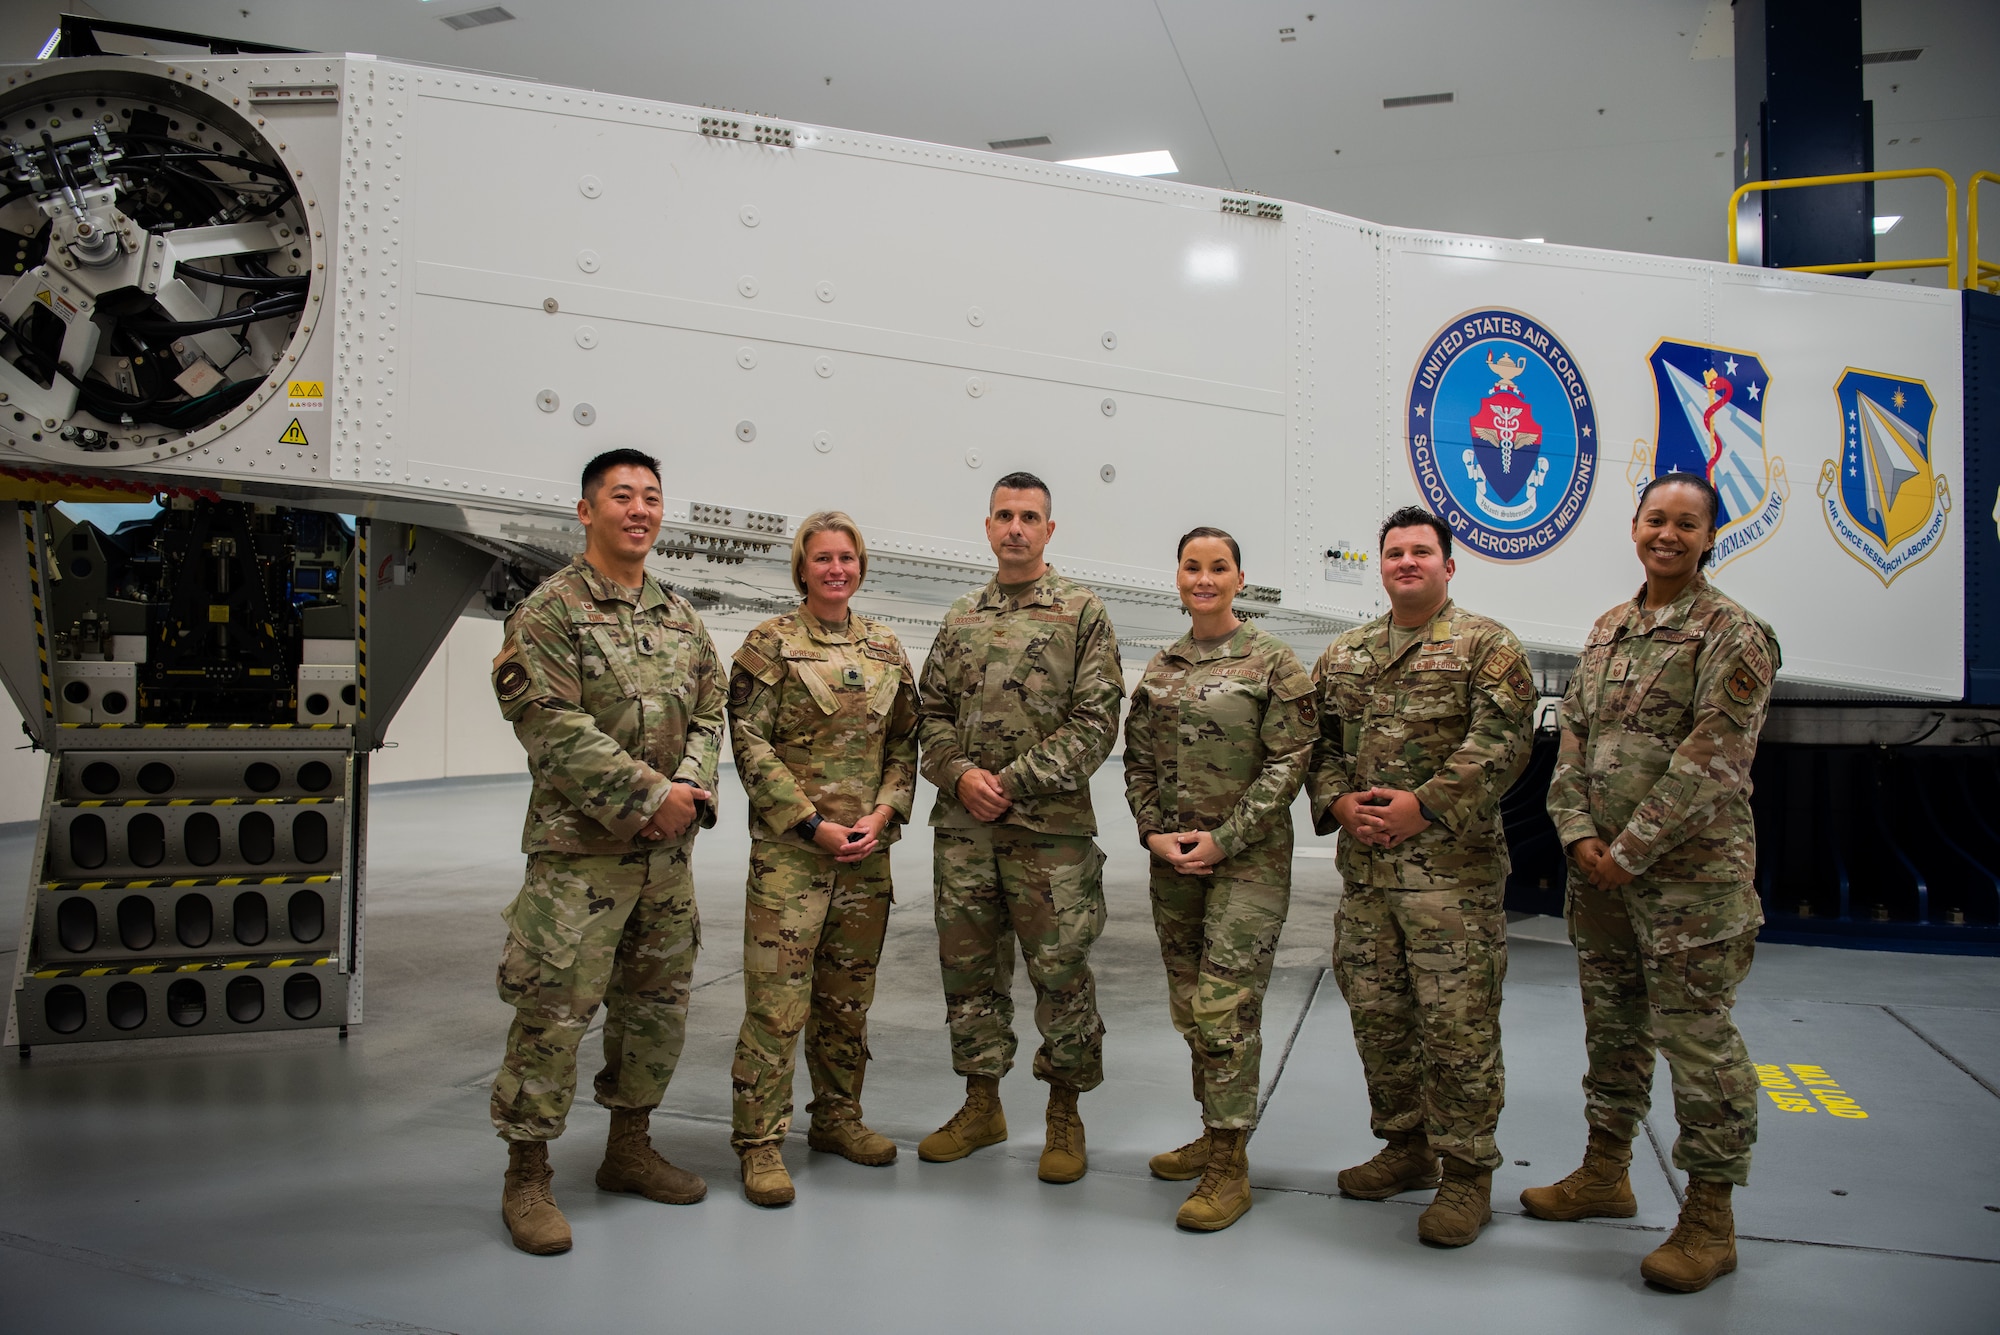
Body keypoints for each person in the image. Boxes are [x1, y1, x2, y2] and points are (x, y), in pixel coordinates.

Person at [1524, 471, 1779, 1294]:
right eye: (1654, 519)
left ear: (1711, 536)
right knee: (1614, 1029)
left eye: (1686, 523)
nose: (1666, 534)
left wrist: (1626, 849)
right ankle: (1605, 1171)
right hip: (1599, 878)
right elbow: (1570, 743)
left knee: (1698, 1044)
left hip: (1690, 887)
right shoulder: (1606, 631)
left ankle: (1710, 1220)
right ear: (1634, 525)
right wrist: (1577, 834)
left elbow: (1712, 758)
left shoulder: (1733, 634)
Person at [485, 447, 725, 1255]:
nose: (639, 509)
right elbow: (551, 725)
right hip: (577, 862)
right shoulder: (548, 612)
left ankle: (629, 1148)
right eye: (621, 495)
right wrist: (651, 799)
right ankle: (527, 1174)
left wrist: (689, 787)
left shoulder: (679, 615)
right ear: (586, 510)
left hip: (666, 861)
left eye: (651, 496)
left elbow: (710, 709)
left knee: (655, 1011)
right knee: (553, 1015)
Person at [1307, 505, 1536, 1247]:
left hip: (1451, 881)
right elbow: (1314, 743)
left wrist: (1424, 806)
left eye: (1421, 551)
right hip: (1368, 878)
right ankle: (1406, 1146)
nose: (1407, 562)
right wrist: (1338, 799)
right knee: (1380, 1018)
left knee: (1458, 1026)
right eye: (1396, 552)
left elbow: (1501, 745)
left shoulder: (1485, 647)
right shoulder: (1344, 655)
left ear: (1448, 563)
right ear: (1381, 564)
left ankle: (1467, 1174)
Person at [914, 470, 1125, 1183]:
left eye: (1029, 516)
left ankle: (1065, 1111)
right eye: (1004, 514)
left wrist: (1011, 782)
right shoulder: (960, 616)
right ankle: (982, 1103)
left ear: (1049, 529)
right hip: (965, 833)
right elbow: (930, 717)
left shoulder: (1081, 612)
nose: (1015, 527)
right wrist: (960, 775)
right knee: (969, 973)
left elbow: (1097, 723)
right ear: (987, 525)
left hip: (1050, 835)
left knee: (1061, 973)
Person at [1123, 527, 1316, 1231]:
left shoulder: (1272, 662)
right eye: (1191, 566)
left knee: (1223, 1009)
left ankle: (1229, 1167)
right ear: (1177, 576)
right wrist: (1151, 832)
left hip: (1247, 861)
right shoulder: (1162, 666)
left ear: (1240, 577)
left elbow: (1288, 762)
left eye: (1218, 567)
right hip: (1172, 863)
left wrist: (1225, 838)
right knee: (1188, 1006)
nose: (1203, 578)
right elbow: (1136, 761)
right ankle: (1214, 1127)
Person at [725, 511, 919, 1206]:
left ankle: (838, 1119)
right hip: (792, 858)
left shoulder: (888, 649)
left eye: (847, 557)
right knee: (777, 1006)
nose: (836, 568)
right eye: (823, 558)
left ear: (860, 566)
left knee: (846, 1002)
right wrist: (810, 824)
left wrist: (882, 813)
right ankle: (760, 1142)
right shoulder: (770, 644)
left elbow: (905, 747)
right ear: (802, 567)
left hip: (866, 859)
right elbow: (749, 742)